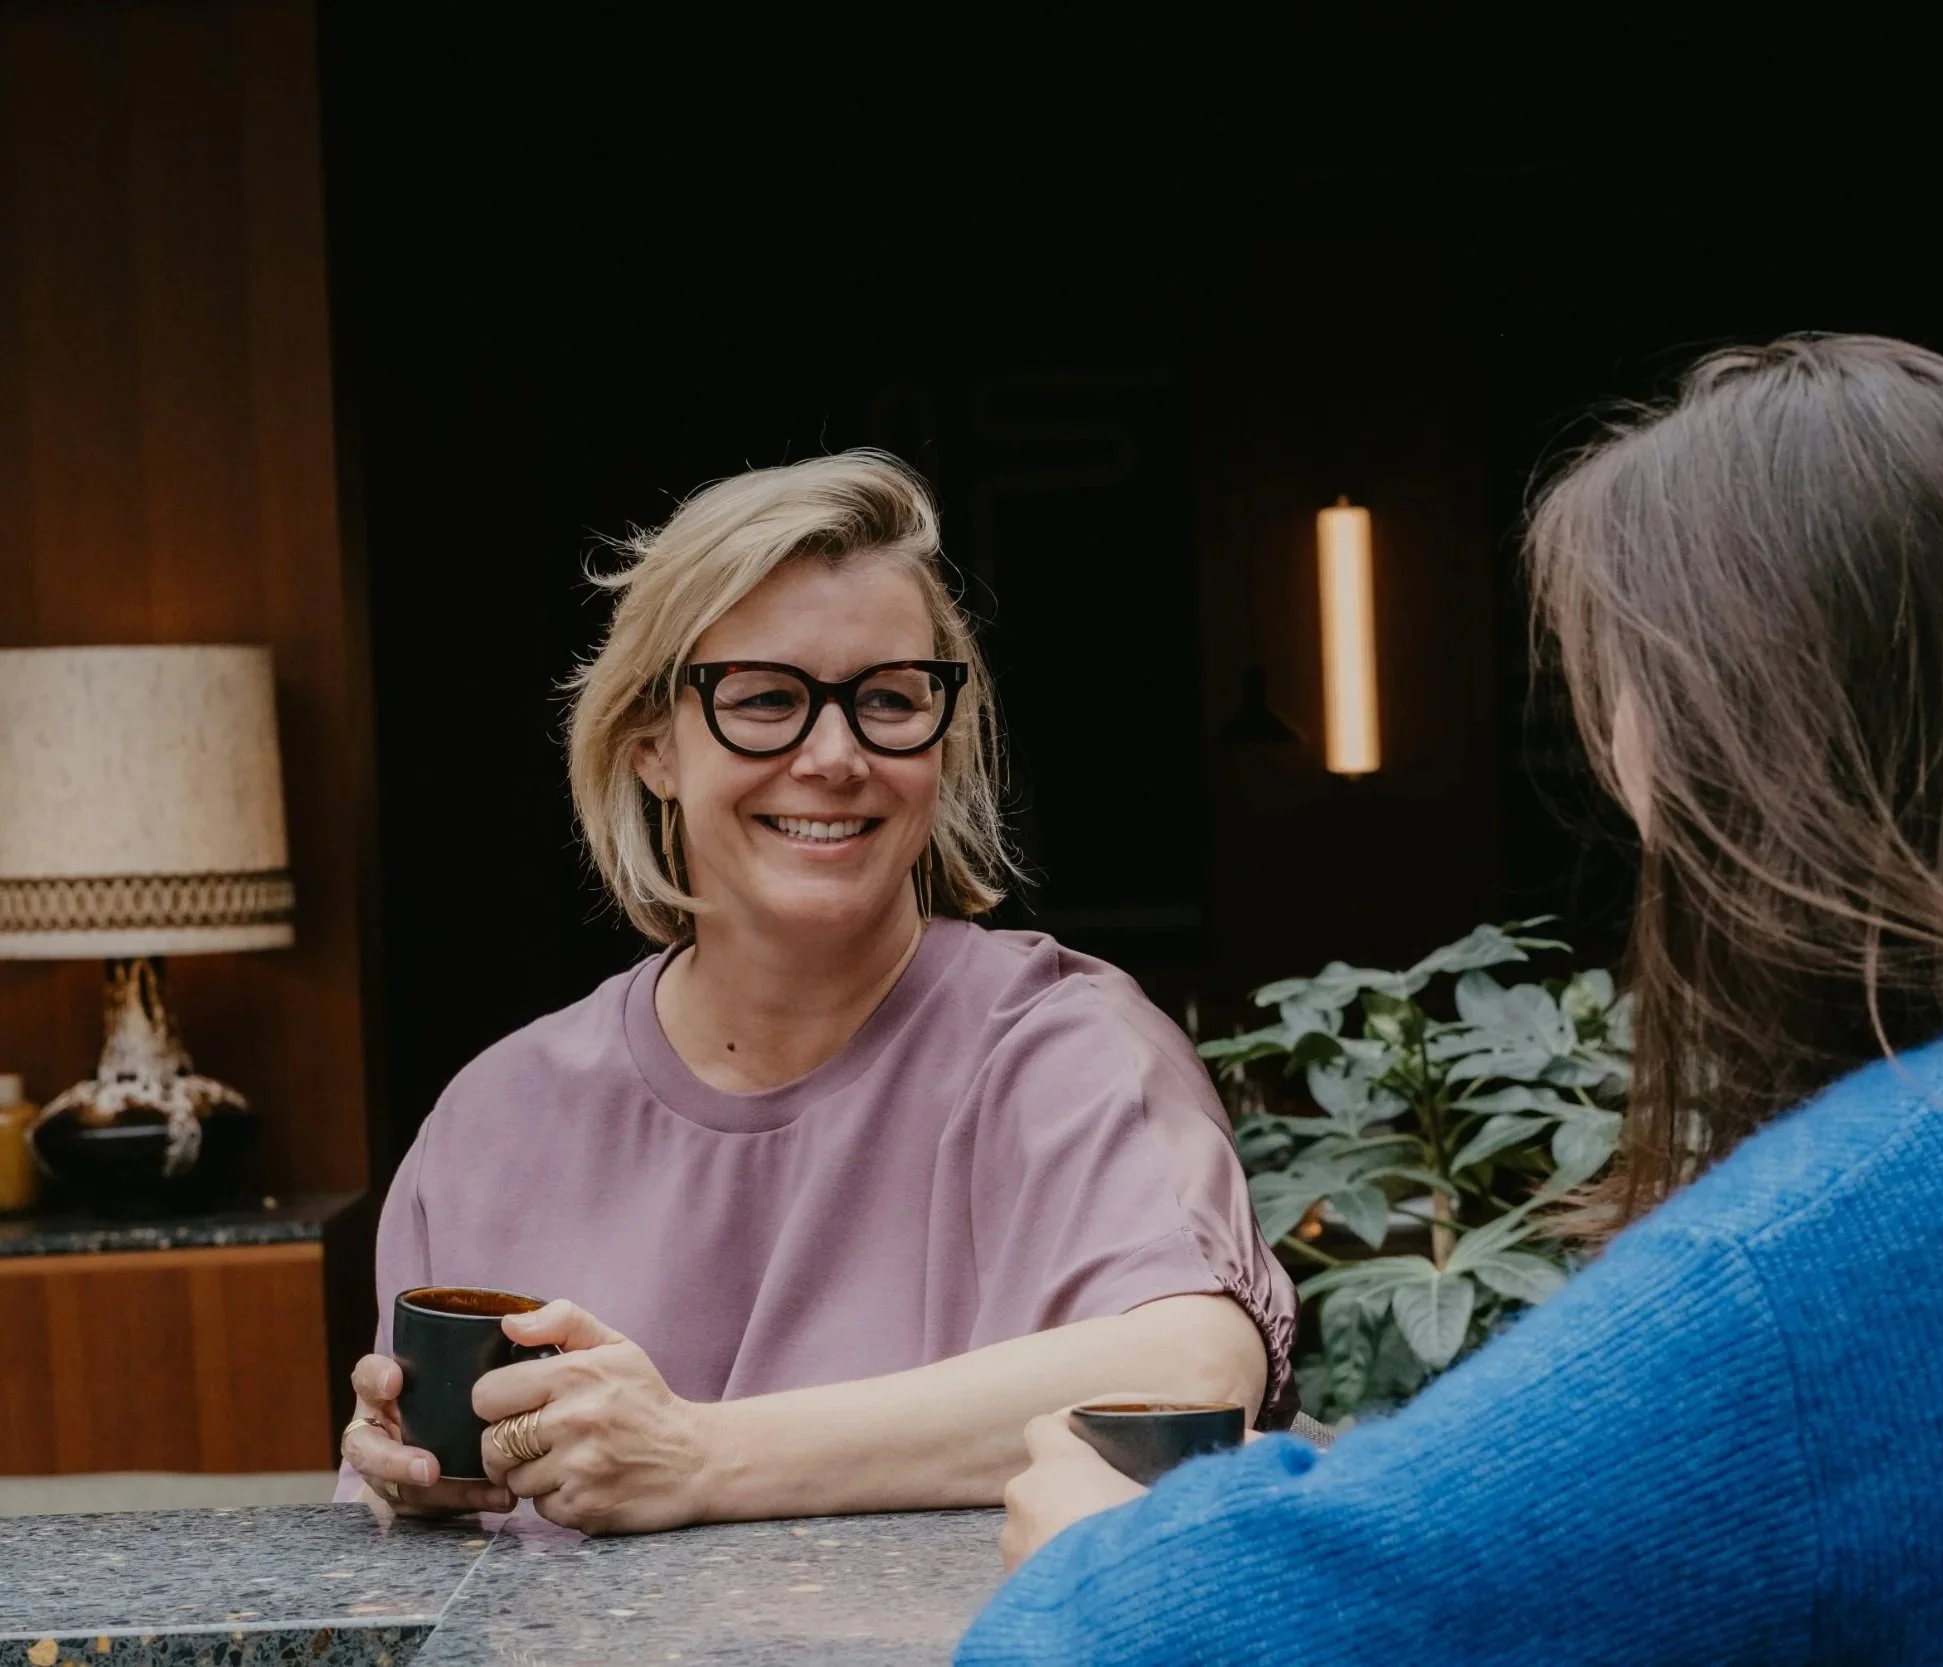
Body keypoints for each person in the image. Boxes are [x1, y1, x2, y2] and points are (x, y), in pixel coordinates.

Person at [960, 336, 1943, 1662]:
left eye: (1616, 684)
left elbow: (1162, 1641)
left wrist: (1099, 1548)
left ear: (1723, 725)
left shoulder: (1848, 1236)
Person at [336, 452, 1292, 1534]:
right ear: (652, 744)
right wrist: (419, 1488)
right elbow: (435, 1563)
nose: (834, 755)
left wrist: (697, 1456)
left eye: (889, 699)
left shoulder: (1060, 1049)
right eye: (764, 699)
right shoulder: (496, 1115)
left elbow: (1194, 1374)